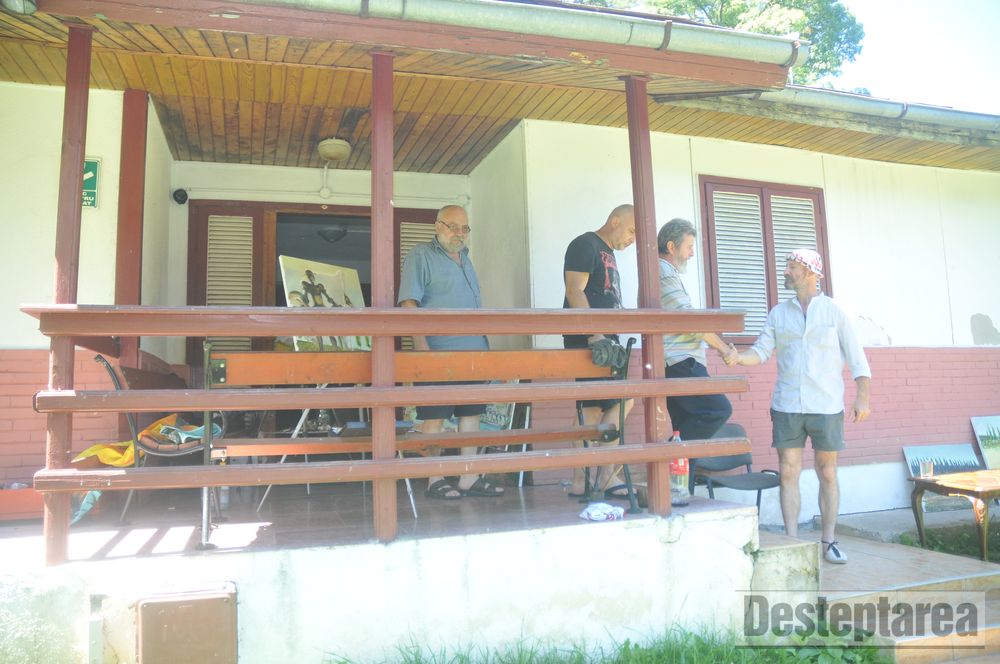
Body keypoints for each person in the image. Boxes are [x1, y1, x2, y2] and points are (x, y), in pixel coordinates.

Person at [726, 249, 871, 564]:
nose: (786, 272)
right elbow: (761, 351)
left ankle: (828, 541)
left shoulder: (835, 311)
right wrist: (738, 357)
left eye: (792, 267)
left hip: (827, 405)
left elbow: (857, 358)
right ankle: (792, 543)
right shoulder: (779, 313)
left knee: (827, 472)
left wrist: (862, 396)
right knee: (788, 471)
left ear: (810, 273)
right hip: (787, 404)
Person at [398, 204, 504, 500]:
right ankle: (435, 478)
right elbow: (409, 303)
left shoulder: (466, 258)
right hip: (438, 353)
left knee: (471, 416)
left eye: (464, 228)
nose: (459, 233)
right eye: (453, 226)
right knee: (434, 418)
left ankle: (469, 477)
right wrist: (421, 348)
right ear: (437, 226)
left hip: (473, 353)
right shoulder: (421, 255)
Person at [562, 203, 637, 500]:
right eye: (631, 230)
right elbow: (574, 290)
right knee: (611, 403)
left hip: (607, 340)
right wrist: (594, 334)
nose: (632, 239)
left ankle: (587, 480)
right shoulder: (586, 244)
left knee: (599, 407)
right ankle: (601, 477)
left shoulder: (609, 253)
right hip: (591, 340)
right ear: (615, 221)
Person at [658, 218, 735, 441]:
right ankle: (672, 452)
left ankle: (677, 459)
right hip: (680, 361)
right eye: (689, 247)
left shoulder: (664, 272)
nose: (692, 253)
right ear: (671, 246)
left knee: (684, 424)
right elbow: (689, 319)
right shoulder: (663, 271)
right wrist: (723, 348)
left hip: (673, 361)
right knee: (718, 409)